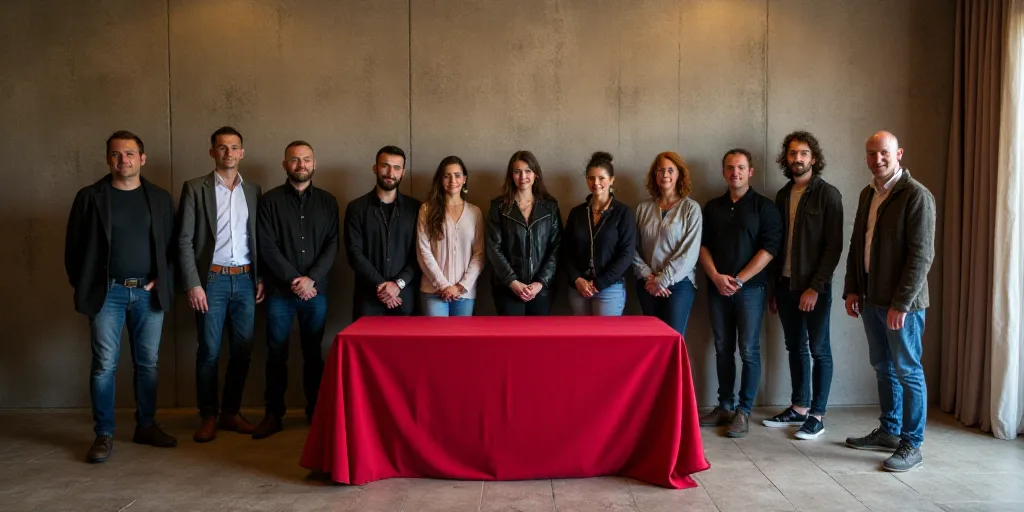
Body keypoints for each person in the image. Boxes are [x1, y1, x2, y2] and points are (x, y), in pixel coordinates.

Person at [65, 130, 177, 463]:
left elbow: (172, 245)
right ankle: (104, 434)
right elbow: (74, 249)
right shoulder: (90, 197)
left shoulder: (158, 198)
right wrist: (85, 284)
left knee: (148, 364)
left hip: (147, 293)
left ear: (142, 159)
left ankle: (145, 425)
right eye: (116, 154)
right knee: (104, 366)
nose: (122, 160)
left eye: (129, 154)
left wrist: (162, 278)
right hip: (107, 294)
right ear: (107, 159)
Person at [843, 131, 935, 472]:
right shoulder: (869, 194)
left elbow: (922, 256)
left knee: (908, 371)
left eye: (883, 153)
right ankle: (889, 430)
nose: (876, 159)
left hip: (902, 306)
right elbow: (857, 244)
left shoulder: (916, 195)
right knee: (883, 367)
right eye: (870, 153)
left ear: (898, 153)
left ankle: (912, 443)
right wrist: (853, 288)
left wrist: (902, 303)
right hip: (870, 299)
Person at [177, 126, 263, 443]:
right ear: (212, 151)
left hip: (245, 279)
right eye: (222, 147)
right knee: (210, 352)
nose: (228, 153)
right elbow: (184, 240)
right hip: (210, 280)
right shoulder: (195, 188)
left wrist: (260, 277)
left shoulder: (253, 190)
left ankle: (231, 412)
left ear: (242, 152)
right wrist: (193, 284)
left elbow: (257, 239)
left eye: (234, 147)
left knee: (243, 351)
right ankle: (209, 416)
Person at [254, 140, 339, 438]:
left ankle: (315, 411)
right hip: (281, 293)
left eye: (306, 159)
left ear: (314, 164)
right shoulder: (270, 201)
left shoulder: (328, 202)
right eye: (294, 159)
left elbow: (332, 246)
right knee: (276, 354)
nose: (301, 164)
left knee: (313, 354)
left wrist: (311, 279)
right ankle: (273, 414)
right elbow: (267, 246)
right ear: (284, 164)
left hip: (316, 293)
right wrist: (295, 280)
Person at [762, 131, 843, 440]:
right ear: (787, 158)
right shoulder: (782, 195)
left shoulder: (828, 195)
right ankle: (798, 408)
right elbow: (778, 244)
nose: (798, 158)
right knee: (794, 346)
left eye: (804, 153)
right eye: (793, 153)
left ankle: (817, 415)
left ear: (814, 158)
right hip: (784, 285)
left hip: (814, 288)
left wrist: (815, 287)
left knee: (819, 349)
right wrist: (773, 290)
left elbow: (833, 247)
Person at [698, 148, 783, 438]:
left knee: (748, 350)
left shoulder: (765, 207)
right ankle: (725, 405)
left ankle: (744, 411)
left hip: (751, 290)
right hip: (717, 287)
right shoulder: (712, 207)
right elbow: (703, 246)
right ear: (723, 172)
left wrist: (739, 279)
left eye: (741, 167)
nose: (735, 172)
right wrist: (716, 277)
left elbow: (770, 250)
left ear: (751, 172)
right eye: (730, 167)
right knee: (723, 348)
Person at [344, 145, 421, 319]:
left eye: (396, 167)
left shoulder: (416, 208)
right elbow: (354, 253)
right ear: (375, 168)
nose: (390, 172)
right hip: (367, 297)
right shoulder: (356, 208)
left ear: (403, 172)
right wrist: (381, 285)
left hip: (404, 296)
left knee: (404, 346)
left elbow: (420, 253)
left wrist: (398, 284)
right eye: (385, 165)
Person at [485, 150, 562, 315]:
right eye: (517, 171)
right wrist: (513, 282)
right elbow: (493, 248)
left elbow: (556, 247)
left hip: (541, 290)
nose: (523, 176)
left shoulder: (550, 207)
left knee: (538, 340)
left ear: (536, 175)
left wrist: (539, 283)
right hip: (507, 289)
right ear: (511, 176)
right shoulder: (499, 207)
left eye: (528, 171)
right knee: (510, 340)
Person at [633, 151, 702, 334]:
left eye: (670, 170)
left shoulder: (691, 209)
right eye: (660, 170)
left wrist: (663, 280)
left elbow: (690, 252)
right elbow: (632, 248)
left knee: (672, 339)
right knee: (652, 342)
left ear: (679, 174)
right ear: (654, 175)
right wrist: (649, 276)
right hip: (647, 283)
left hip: (679, 284)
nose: (665, 175)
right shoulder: (643, 208)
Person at [562, 151, 636, 316]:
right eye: (591, 178)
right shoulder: (577, 213)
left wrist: (600, 284)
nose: (596, 183)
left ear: (611, 180)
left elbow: (627, 254)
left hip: (610, 289)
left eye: (601, 178)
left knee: (606, 340)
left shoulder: (623, 213)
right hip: (578, 288)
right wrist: (576, 279)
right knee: (581, 339)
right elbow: (566, 250)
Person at [416, 156, 485, 316]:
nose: (452, 180)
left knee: (461, 341)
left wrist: (460, 287)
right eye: (447, 176)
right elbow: (423, 251)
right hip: (433, 292)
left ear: (464, 179)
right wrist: (444, 285)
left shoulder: (475, 212)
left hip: (465, 293)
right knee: (436, 340)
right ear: (440, 179)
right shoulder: (427, 210)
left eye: (457, 175)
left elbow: (479, 254)